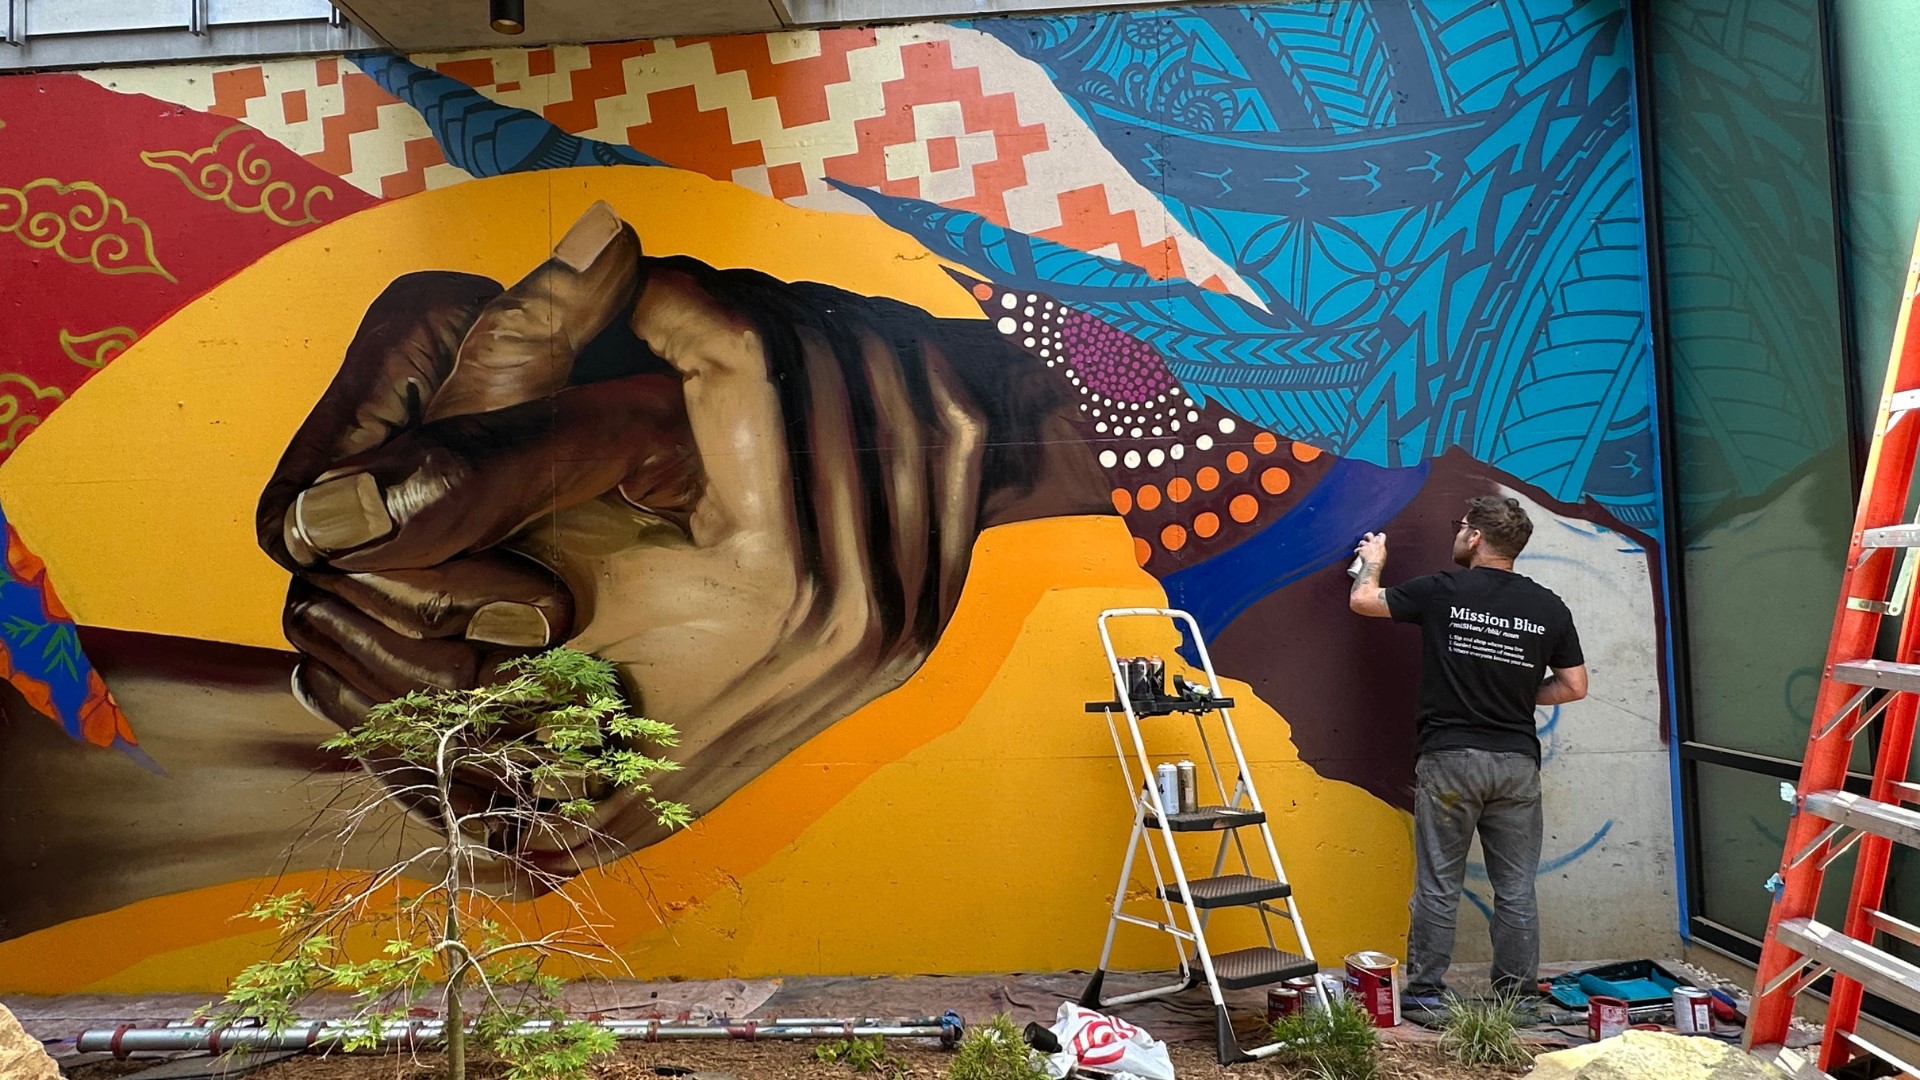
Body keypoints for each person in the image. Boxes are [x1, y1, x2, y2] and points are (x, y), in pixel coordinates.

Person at [1345, 496, 1587, 1013]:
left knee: (1438, 883)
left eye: (1461, 527)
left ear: (1475, 537)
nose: (1457, 534)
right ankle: (1517, 1000)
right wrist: (1515, 694)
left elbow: (1364, 601)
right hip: (1516, 765)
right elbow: (1574, 686)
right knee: (1516, 889)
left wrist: (1373, 561)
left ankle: (1426, 994)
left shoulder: (1443, 590)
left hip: (1451, 759)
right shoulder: (1549, 606)